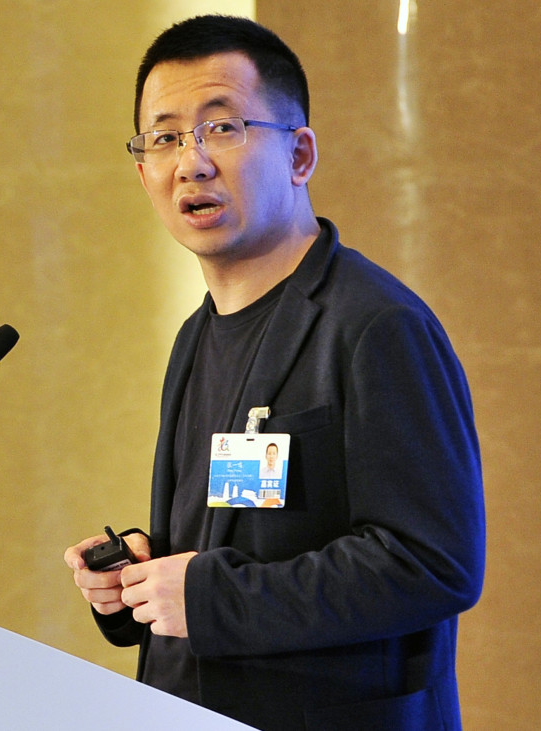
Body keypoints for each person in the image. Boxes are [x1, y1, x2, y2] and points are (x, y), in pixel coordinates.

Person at [64, 15, 485, 731]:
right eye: (165, 138)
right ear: (143, 173)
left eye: (221, 128)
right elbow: (235, 536)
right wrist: (138, 577)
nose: (190, 162)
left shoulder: (375, 327)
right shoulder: (197, 337)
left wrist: (208, 596)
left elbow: (432, 561)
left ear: (300, 155)